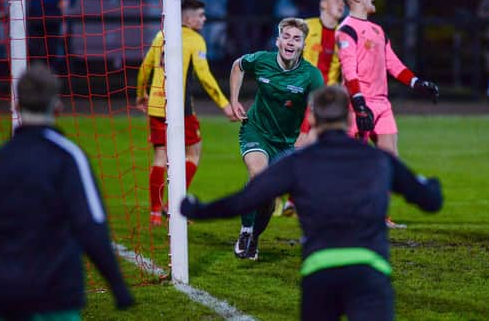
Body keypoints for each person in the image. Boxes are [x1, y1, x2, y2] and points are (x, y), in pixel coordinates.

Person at [180, 85, 443, 321]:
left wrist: (195, 209)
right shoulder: (378, 159)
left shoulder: (298, 162)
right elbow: (431, 201)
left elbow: (245, 199)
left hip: (321, 274)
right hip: (369, 273)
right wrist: (432, 185)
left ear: (312, 119)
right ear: (350, 118)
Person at [0, 64, 134, 319]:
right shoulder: (68, 157)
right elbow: (91, 226)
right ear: (58, 107)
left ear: (15, 106)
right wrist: (118, 285)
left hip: (3, 294)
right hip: (55, 293)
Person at [336, 0, 439, 229]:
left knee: (389, 160)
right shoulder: (346, 30)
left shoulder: (379, 30)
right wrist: (359, 105)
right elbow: (350, 70)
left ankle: (379, 216)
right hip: (357, 104)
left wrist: (417, 83)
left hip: (382, 104)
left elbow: (393, 63)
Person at [228, 17, 324, 260]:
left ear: (303, 45)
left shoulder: (311, 76)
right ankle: (246, 231)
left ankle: (254, 238)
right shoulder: (262, 60)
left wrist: (307, 136)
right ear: (278, 40)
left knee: (268, 200)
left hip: (287, 143)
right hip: (256, 131)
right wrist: (233, 99)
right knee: (259, 176)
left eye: (297, 39)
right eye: (287, 37)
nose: (291, 42)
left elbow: (318, 111)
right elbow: (238, 66)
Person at [136, 0, 237, 226]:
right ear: (189, 18)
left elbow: (144, 68)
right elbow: (205, 76)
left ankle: (154, 212)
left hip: (155, 104)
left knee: (160, 156)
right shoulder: (195, 40)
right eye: (200, 15)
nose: (203, 19)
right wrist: (224, 104)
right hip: (180, 108)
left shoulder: (161, 35)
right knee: (193, 153)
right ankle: (172, 206)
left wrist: (140, 94)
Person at [282, 0, 344, 216]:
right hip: (301, 97)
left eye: (342, 1)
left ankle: (294, 198)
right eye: (336, 0)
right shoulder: (305, 28)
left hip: (327, 102)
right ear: (323, 4)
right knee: (299, 146)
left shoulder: (343, 34)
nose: (341, 4)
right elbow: (285, 55)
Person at [25, 0, 75, 76]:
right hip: (35, 21)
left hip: (53, 20)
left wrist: (67, 0)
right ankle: (34, 75)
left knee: (52, 50)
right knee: (35, 50)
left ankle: (50, 76)